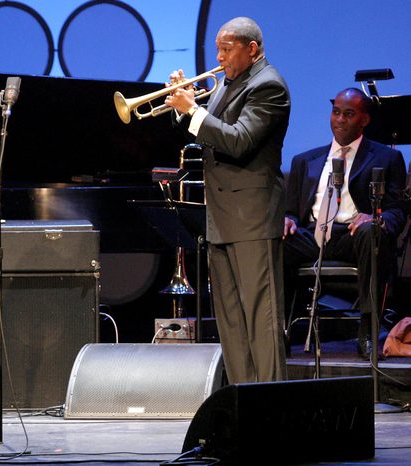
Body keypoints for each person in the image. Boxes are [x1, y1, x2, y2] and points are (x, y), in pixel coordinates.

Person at [164, 17, 290, 383]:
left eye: (226, 49)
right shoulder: (228, 84)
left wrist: (193, 109)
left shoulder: (269, 86)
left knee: (260, 319)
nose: (219, 57)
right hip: (220, 217)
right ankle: (242, 402)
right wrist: (179, 105)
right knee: (231, 322)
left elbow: (238, 140)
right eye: (217, 48)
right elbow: (209, 132)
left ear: (252, 49)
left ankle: (271, 405)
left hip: (252, 217)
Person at [283, 87, 407, 359]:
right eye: (336, 112)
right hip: (313, 235)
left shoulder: (387, 158)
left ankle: (367, 329)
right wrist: (288, 221)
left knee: (369, 231)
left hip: (353, 236)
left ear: (364, 120)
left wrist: (376, 218)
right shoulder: (305, 160)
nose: (339, 119)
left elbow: (397, 211)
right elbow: (291, 212)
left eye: (349, 114)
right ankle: (279, 331)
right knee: (273, 237)